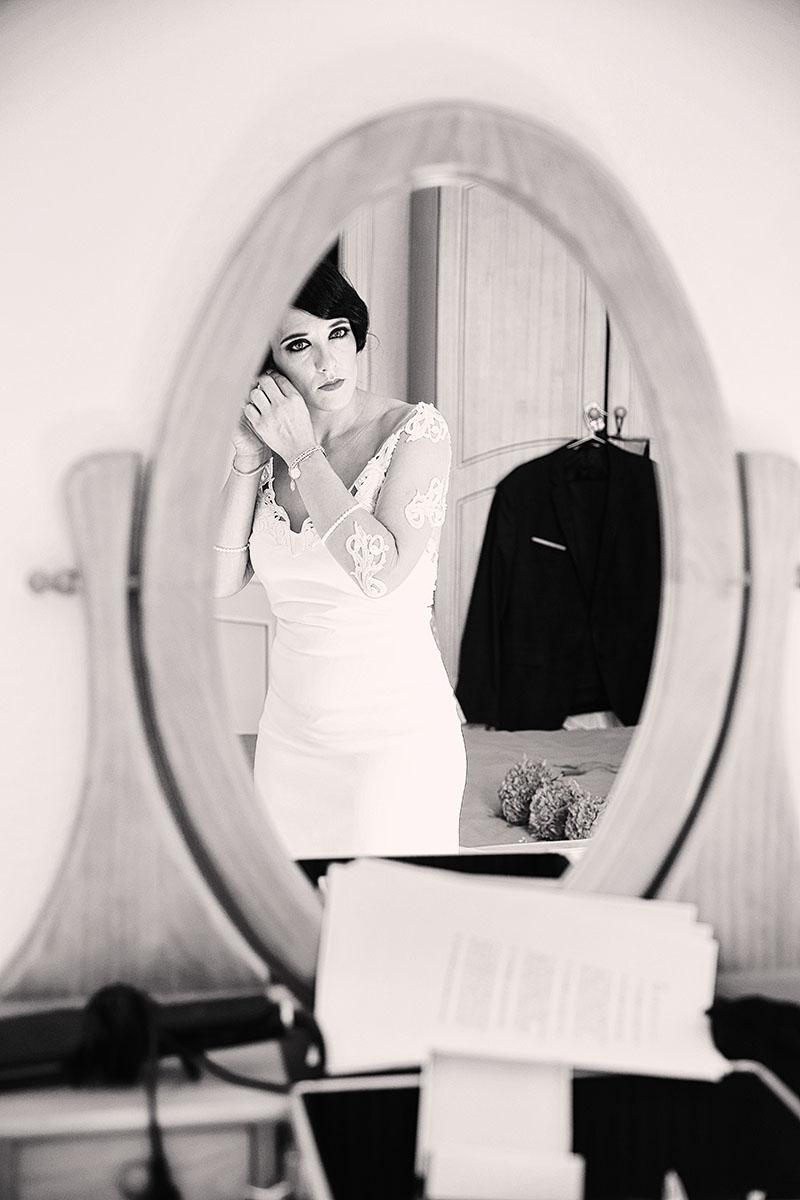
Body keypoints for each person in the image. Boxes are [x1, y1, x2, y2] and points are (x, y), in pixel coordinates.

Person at [214, 259, 466, 860]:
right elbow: (219, 580)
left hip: (395, 744)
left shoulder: (415, 432)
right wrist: (249, 457)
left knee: (385, 909)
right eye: (300, 345)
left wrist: (303, 452)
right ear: (268, 367)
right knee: (298, 911)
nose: (328, 361)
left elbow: (379, 573)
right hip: (289, 743)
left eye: (338, 333)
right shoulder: (269, 451)